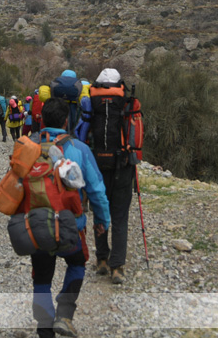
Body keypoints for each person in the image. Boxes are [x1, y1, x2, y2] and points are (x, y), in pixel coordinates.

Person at [29, 97, 110, 338]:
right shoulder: (80, 149)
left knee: (42, 277)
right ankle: (64, 315)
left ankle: (44, 328)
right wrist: (102, 221)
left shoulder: (28, 147)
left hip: (37, 225)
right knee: (76, 263)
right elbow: (96, 191)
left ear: (42, 120)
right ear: (67, 121)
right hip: (71, 226)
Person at [79, 68, 136, 285]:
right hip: (123, 166)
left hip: (97, 166)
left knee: (101, 212)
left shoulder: (90, 103)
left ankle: (102, 259)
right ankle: (117, 267)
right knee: (120, 216)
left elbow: (83, 133)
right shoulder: (127, 103)